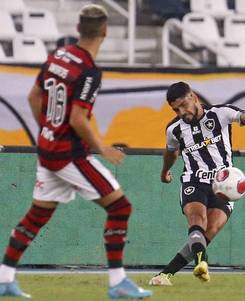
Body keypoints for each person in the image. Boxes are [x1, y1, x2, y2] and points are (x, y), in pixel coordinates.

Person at [0, 4, 152, 299]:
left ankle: (4, 278)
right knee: (120, 208)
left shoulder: (56, 56)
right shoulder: (89, 71)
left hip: (47, 148)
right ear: (105, 32)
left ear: (79, 29)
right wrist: (102, 148)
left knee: (37, 216)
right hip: (69, 154)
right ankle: (117, 282)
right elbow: (77, 118)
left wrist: (46, 129)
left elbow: (34, 97)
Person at [149, 81, 245, 286]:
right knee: (197, 219)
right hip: (194, 180)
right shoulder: (174, 129)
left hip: (224, 184)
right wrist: (164, 171)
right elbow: (171, 152)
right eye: (175, 109)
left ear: (194, 97)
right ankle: (202, 261)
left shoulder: (220, 113)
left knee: (208, 232)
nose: (181, 112)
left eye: (183, 106)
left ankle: (163, 276)